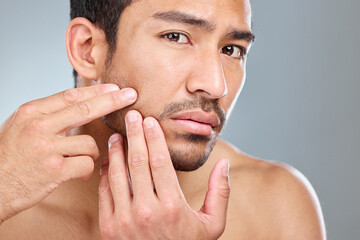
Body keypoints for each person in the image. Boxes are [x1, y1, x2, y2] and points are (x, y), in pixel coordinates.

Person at [0, 0, 326, 239]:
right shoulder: (9, 208)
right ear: (88, 50)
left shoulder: (276, 207)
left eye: (231, 50)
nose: (216, 85)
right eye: (176, 36)